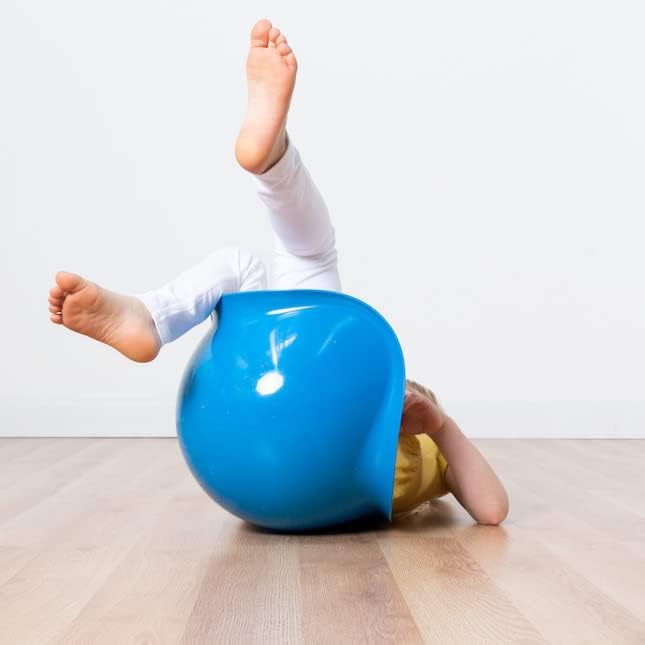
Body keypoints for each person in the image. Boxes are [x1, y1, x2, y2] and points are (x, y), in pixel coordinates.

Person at [47, 19, 508, 526]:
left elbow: (493, 510)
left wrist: (439, 427)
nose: (406, 406)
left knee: (297, 256)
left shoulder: (429, 457)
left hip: (303, 438)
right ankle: (153, 314)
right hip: (292, 380)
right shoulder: (387, 429)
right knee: (245, 266)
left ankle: (169, 298)